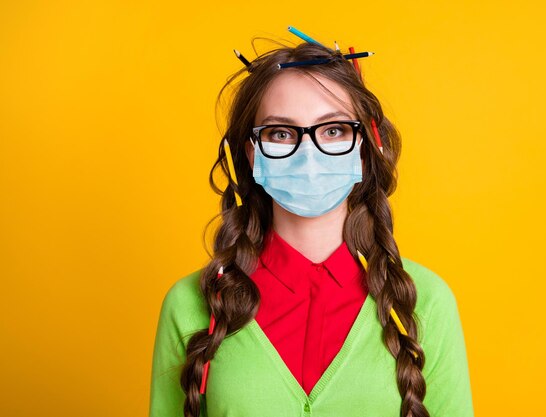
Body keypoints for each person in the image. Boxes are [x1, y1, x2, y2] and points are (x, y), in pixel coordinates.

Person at [149, 41, 473, 417]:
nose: (309, 154)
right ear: (252, 152)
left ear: (364, 147)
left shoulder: (425, 302)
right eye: (281, 133)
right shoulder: (190, 305)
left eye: (333, 130)